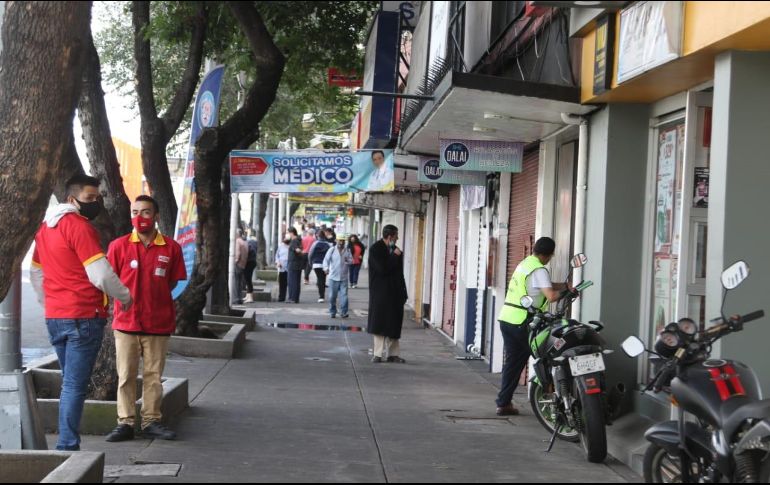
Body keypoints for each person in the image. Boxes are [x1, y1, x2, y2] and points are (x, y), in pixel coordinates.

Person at [29, 174, 133, 451]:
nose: (95, 202)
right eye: (89, 198)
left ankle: (66, 444)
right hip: (84, 315)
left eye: (97, 198)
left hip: (56, 316)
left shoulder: (45, 228)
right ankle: (67, 446)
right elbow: (101, 274)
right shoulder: (80, 227)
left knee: (69, 383)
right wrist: (125, 296)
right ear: (71, 199)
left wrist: (49, 303)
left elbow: (36, 273)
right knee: (74, 386)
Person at [104, 195, 186, 442]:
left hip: (158, 323)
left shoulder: (171, 248)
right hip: (126, 323)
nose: (139, 217)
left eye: (146, 212)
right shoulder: (118, 246)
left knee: (153, 377)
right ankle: (125, 423)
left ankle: (151, 421)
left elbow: (172, 282)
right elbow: (109, 280)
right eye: (135, 212)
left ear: (156, 216)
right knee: (126, 376)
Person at [495, 237, 573, 416]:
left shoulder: (525, 264)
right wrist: (567, 291)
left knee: (513, 363)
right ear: (549, 254)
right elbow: (551, 296)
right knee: (547, 358)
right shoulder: (539, 269)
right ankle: (555, 405)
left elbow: (541, 286)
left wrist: (563, 285)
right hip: (524, 322)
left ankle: (503, 403)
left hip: (508, 319)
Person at [366, 225, 408, 363]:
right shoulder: (376, 249)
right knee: (379, 322)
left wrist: (403, 292)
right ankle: (377, 354)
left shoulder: (396, 250)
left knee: (394, 323)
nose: (398, 238)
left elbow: (400, 274)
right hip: (380, 293)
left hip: (395, 293)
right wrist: (394, 256)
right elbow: (382, 269)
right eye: (396, 236)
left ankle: (393, 354)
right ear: (390, 236)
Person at [324, 234, 353, 318]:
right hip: (333, 277)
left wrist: (347, 260)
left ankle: (343, 312)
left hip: (344, 277)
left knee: (344, 296)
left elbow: (351, 261)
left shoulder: (347, 250)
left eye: (343, 241)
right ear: (336, 240)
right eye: (340, 240)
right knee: (332, 297)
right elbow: (326, 260)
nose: (341, 242)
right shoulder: (332, 250)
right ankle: (332, 311)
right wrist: (326, 268)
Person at [307, 232, 332, 303]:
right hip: (325, 265)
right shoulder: (328, 244)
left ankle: (321, 296)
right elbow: (331, 254)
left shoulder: (315, 243)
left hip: (316, 264)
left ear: (318, 236)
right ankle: (322, 296)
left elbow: (310, 254)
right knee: (323, 279)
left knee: (320, 278)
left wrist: (310, 263)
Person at [286, 227, 304, 303]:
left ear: (292, 233)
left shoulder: (294, 241)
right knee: (296, 282)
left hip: (293, 264)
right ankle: (295, 298)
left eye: (288, 233)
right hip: (298, 264)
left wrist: (300, 252)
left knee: (292, 281)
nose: (288, 234)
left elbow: (297, 250)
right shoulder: (299, 240)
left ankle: (292, 298)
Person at [234, 229, 249, 304]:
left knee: (236, 282)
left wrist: (235, 261)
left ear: (237, 234)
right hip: (243, 264)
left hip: (238, 264)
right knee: (240, 283)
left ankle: (237, 298)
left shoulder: (238, 241)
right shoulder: (245, 242)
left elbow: (238, 253)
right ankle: (239, 298)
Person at [243, 236, 258, 303]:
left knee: (248, 280)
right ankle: (248, 295)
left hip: (249, 262)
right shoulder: (254, 245)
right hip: (252, 262)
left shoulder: (249, 244)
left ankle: (250, 297)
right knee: (248, 280)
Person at [275, 236, 290, 302]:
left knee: (289, 283)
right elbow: (277, 255)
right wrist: (278, 262)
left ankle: (290, 297)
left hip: (289, 267)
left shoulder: (291, 246)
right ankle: (281, 297)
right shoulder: (281, 246)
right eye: (285, 238)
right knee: (282, 283)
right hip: (282, 267)